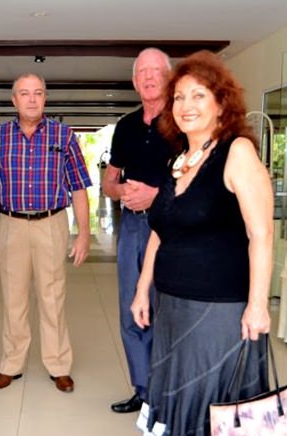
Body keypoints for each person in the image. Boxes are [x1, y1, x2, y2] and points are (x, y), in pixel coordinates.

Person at [131, 50, 273, 436]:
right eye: (178, 97)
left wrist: (258, 305)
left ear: (220, 103)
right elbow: (161, 232)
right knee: (181, 400)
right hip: (172, 305)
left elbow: (261, 233)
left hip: (218, 311)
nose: (185, 106)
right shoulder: (178, 161)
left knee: (216, 410)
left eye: (198, 96)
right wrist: (143, 288)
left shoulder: (237, 152)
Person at [0, 73, 92, 393]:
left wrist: (83, 233)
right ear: (14, 100)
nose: (32, 99)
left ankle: (58, 364)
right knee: (13, 298)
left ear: (45, 98)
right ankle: (11, 364)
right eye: (24, 93)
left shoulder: (64, 135)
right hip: (11, 225)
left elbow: (79, 188)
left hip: (51, 224)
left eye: (38, 93)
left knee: (52, 296)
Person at [101, 48, 172, 414]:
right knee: (132, 307)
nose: (148, 77)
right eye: (142, 71)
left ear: (168, 76)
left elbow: (197, 180)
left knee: (164, 308)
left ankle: (165, 392)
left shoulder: (183, 120)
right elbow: (109, 179)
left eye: (155, 70)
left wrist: (154, 195)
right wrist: (121, 191)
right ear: (134, 81)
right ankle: (143, 390)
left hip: (170, 229)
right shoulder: (126, 126)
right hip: (131, 227)